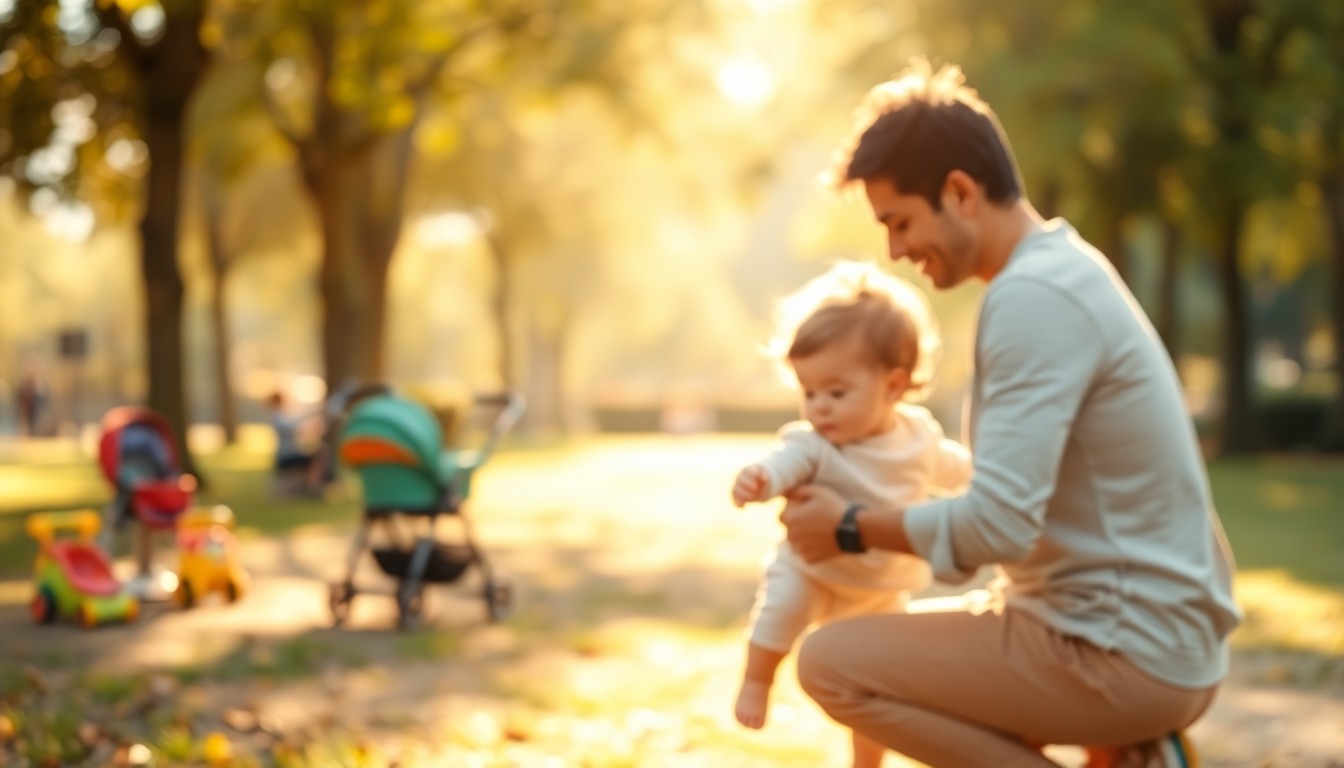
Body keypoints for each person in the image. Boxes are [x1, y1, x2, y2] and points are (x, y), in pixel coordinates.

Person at [778, 59, 1242, 768]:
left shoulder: (1033, 300)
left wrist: (846, 527)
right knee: (925, 674)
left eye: (899, 222)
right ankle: (1126, 752)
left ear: (960, 192)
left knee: (832, 663)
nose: (896, 252)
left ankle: (1124, 737)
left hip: (1124, 650)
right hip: (1137, 633)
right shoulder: (1061, 270)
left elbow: (998, 523)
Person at [730, 261, 971, 768]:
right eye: (809, 392)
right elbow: (783, 464)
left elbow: (958, 471)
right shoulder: (814, 445)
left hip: (880, 586)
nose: (819, 407)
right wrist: (760, 480)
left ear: (894, 385)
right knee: (780, 608)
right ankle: (757, 681)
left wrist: (987, 477)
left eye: (836, 393)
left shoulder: (918, 438)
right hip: (811, 569)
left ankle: (867, 762)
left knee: (876, 689)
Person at [267, 389, 323, 497]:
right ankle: (312, 488)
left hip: (288, 454)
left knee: (319, 454)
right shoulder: (278, 417)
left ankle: (311, 486)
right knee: (319, 457)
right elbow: (294, 425)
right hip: (286, 456)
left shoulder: (281, 416)